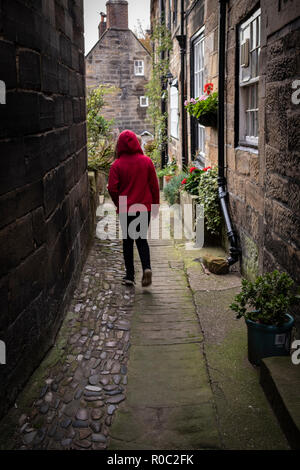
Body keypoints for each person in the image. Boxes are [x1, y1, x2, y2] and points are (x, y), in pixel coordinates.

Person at [108, 130, 160, 287]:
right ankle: (147, 268)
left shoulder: (116, 165)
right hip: (144, 207)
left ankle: (130, 275)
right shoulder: (147, 161)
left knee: (128, 242)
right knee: (142, 239)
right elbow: (154, 186)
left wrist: (119, 203)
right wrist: (155, 205)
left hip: (126, 208)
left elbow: (112, 188)